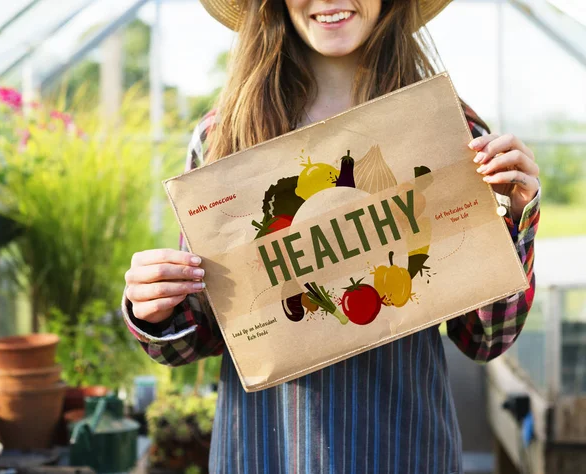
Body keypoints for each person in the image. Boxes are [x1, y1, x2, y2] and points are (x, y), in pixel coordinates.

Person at [122, 1, 540, 472]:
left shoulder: (450, 132)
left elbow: (484, 339)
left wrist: (515, 217)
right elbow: (201, 336)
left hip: (403, 449)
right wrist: (155, 306)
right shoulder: (225, 137)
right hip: (267, 451)